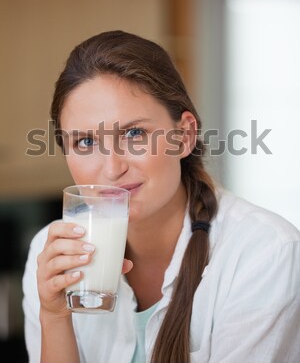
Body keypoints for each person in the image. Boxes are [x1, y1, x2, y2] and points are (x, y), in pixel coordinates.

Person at [22, 30, 300, 363]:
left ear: (184, 135)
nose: (112, 169)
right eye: (85, 142)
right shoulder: (50, 257)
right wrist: (54, 318)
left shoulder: (264, 253)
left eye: (134, 133)